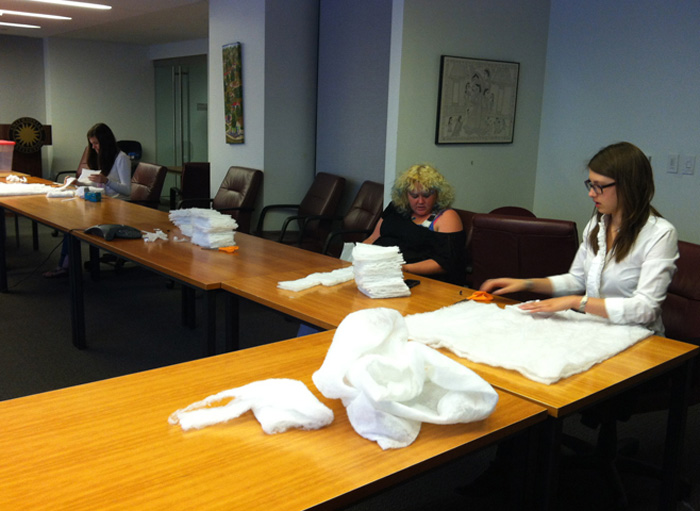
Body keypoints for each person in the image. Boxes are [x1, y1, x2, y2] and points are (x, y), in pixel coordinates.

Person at [480, 141, 678, 334]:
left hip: (637, 336)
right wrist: (526, 284)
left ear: (628, 186)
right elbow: (576, 280)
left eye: (599, 186)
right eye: (590, 185)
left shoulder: (660, 234)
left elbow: (646, 309)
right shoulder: (597, 224)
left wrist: (576, 302)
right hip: (593, 329)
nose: (591, 194)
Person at [43, 123, 132, 278]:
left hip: (117, 207)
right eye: (92, 144)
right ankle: (66, 264)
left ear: (105, 142)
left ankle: (65, 266)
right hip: (102, 202)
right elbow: (97, 183)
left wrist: (106, 181)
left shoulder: (121, 158)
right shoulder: (102, 156)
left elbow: (127, 190)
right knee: (69, 221)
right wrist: (78, 182)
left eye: (96, 143)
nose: (94, 147)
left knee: (73, 225)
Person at [364, 164, 467, 285]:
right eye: (414, 196)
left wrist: (405, 268)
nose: (420, 201)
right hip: (378, 272)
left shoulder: (446, 217)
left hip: (420, 281)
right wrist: (359, 257)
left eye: (426, 195)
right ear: (406, 195)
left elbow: (446, 263)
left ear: (437, 195)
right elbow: (373, 238)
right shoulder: (395, 208)